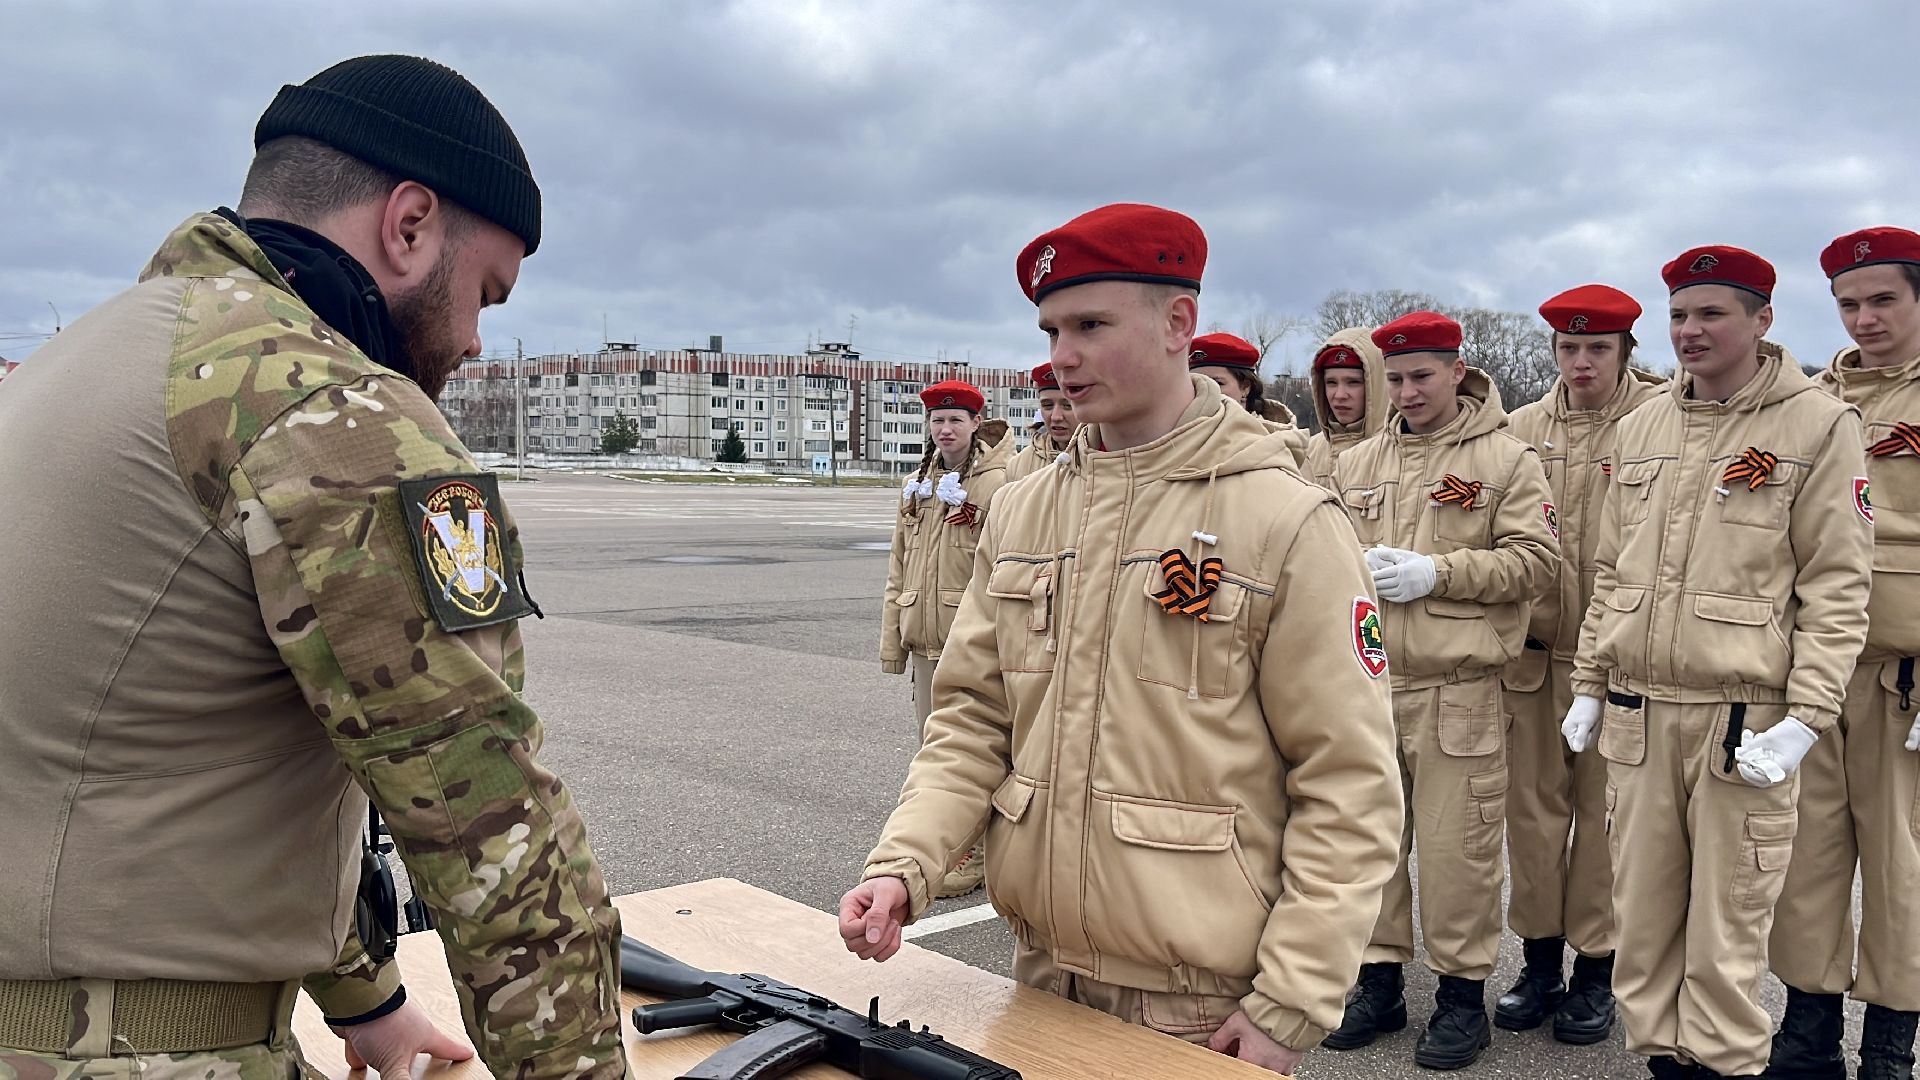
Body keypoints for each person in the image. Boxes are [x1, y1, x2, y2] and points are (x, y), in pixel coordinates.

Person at [0, 56, 627, 1080]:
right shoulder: (327, 408)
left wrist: (367, 1001)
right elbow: (488, 828)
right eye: (485, 294)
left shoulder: (88, 359)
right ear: (410, 225)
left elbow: (202, 754)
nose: (472, 339)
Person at [839, 202, 1404, 1077]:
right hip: (1039, 972)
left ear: (1180, 323)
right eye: (1052, 328)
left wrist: (1290, 1003)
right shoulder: (1028, 508)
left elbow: (1349, 786)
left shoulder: (1282, 519)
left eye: (1091, 325)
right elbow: (971, 722)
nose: (1061, 357)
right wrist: (906, 863)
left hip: (1201, 1004)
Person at [1564, 246, 1872, 1080]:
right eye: (1679, 317)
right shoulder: (1642, 427)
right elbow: (1610, 570)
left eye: (1712, 315)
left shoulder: (1818, 425)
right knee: (1644, 927)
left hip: (1744, 719)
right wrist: (1590, 682)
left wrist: (1808, 719)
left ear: (1763, 320)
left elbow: (1838, 589)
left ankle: (1726, 1066)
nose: (1690, 332)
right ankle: (1666, 1065)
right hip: (1637, 714)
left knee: (1728, 934)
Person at [1324, 310, 1560, 1070]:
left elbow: (1537, 563)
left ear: (1458, 371)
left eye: (1421, 376)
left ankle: (1462, 998)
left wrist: (1440, 573)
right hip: (1369, 683)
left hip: (1459, 686)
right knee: (1369, 845)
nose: (1406, 391)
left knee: (1461, 854)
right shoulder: (1357, 464)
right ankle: (1378, 980)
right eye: (1394, 379)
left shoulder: (1506, 459)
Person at [1760, 227, 1920, 1080]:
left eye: (1882, 298)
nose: (1864, 317)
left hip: (1906, 680)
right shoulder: (1816, 406)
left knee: (1901, 870)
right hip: (1812, 672)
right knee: (1804, 860)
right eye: (1850, 303)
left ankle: (1892, 1042)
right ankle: (1807, 1030)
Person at [1496, 285, 1664, 1046]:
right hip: (1534, 658)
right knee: (1532, 820)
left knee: (1604, 823)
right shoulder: (1518, 431)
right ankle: (1537, 963)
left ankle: (1596, 969)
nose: (1582, 361)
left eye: (1598, 347)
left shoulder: (1656, 423)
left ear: (1625, 350)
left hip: (1618, 663)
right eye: (1569, 348)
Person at [880, 378, 1013, 897]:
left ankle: (977, 851)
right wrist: (895, 640)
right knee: (934, 745)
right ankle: (949, 844)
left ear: (977, 423)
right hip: (926, 638)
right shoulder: (918, 482)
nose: (945, 429)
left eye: (956, 420)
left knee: (977, 746)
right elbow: (899, 564)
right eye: (937, 420)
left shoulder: (999, 483)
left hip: (972, 637)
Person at [1302, 328, 1387, 492]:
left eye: (1353, 382)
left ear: (1376, 385)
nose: (1340, 395)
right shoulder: (1307, 454)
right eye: (1331, 383)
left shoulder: (1398, 453)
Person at [1190, 331, 1297, 425]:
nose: (1203, 391)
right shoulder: (1178, 437)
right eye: (1194, 384)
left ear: (1245, 388)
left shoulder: (1271, 441)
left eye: (1217, 384)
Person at [1007, 361, 1076, 480]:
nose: (1056, 417)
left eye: (1067, 406)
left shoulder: (1104, 458)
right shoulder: (1018, 465)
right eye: (1048, 405)